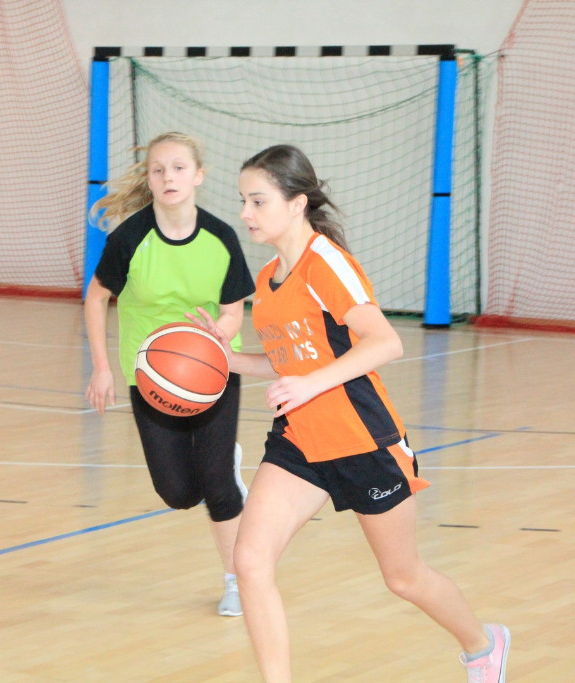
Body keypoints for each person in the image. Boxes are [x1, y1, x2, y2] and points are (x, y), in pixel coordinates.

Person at [188, 144, 510, 681]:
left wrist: (310, 383)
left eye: (258, 201)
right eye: (243, 200)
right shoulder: (266, 281)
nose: (245, 213)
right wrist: (224, 357)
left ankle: (483, 645)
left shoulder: (326, 263)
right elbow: (288, 361)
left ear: (297, 203)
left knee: (403, 577)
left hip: (363, 439)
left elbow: (385, 342)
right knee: (250, 561)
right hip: (300, 440)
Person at [84, 132, 255, 616]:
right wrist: (101, 367)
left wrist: (216, 335)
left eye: (179, 168)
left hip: (213, 369)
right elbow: (96, 298)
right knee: (178, 493)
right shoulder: (129, 238)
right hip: (152, 375)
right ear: (150, 179)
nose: (168, 177)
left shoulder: (221, 237)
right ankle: (221, 467)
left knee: (217, 485)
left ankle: (236, 582)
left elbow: (233, 312)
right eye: (158, 169)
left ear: (198, 176)